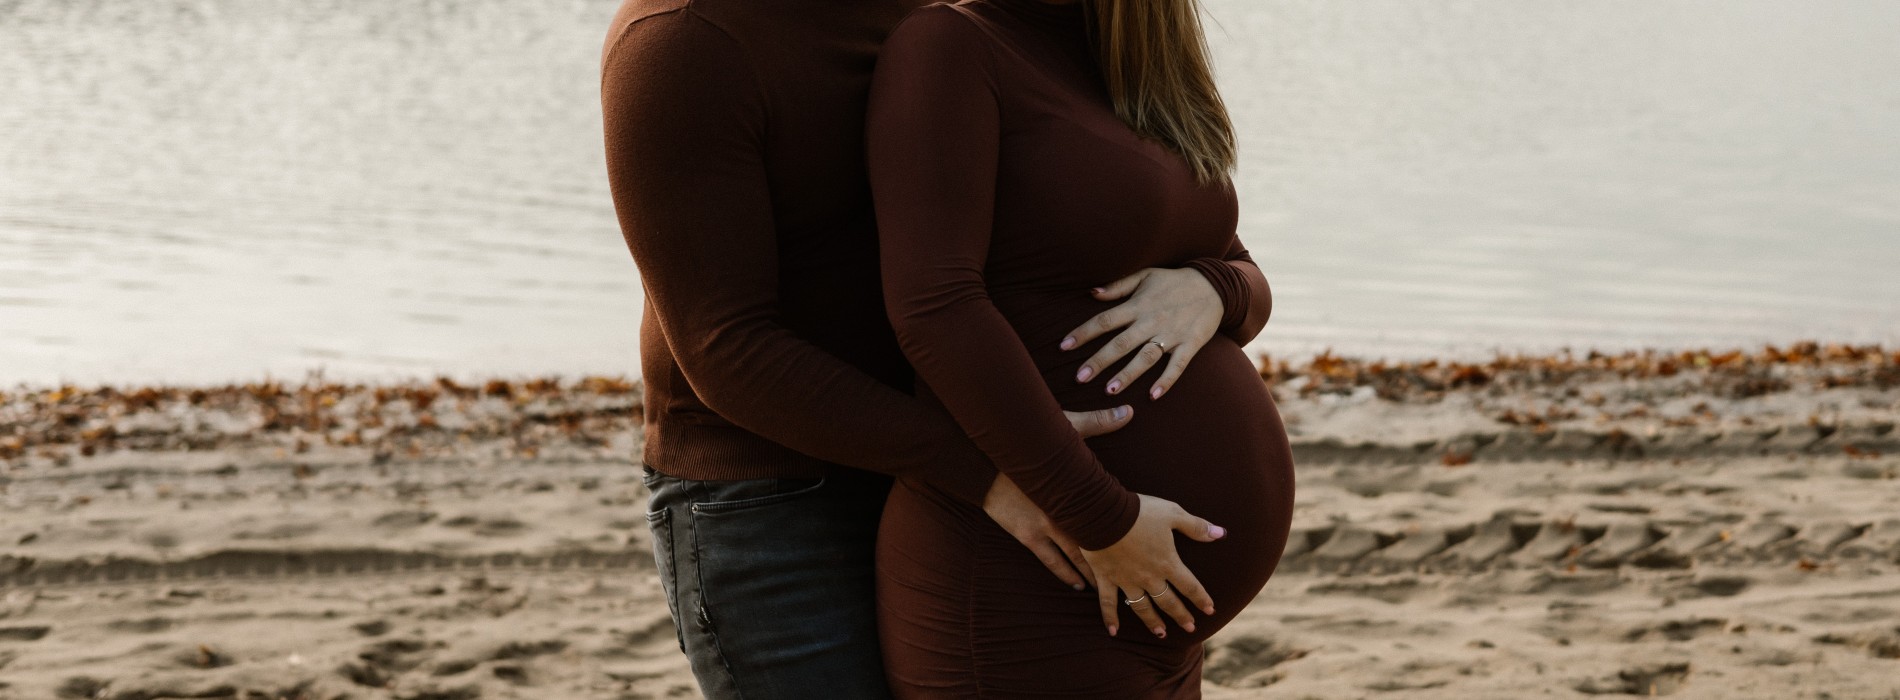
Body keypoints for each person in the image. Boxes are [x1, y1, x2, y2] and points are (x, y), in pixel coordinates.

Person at [598, 0, 1276, 696]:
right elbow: (726, 350)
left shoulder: (940, 15)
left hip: (951, 468)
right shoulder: (681, 42)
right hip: (776, 503)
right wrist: (994, 475)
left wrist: (1220, 285)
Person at [865, 0, 1296, 696]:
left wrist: (1220, 289)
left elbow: (1239, 267)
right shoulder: (951, 43)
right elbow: (934, 307)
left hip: (1149, 605)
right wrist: (1101, 516)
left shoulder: (1135, 64)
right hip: (1034, 588)